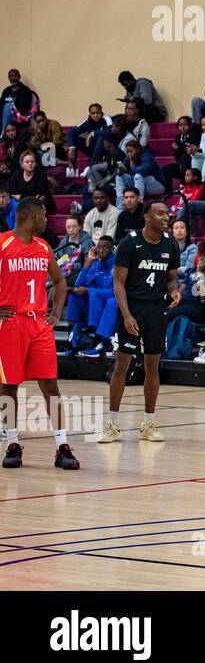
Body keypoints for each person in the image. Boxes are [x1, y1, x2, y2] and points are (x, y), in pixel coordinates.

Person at [0, 198, 77, 470]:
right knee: (9, 386)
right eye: (44, 216)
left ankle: (62, 446)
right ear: (33, 216)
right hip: (10, 323)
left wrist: (56, 313)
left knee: (51, 385)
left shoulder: (44, 247)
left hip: (38, 324)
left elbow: (59, 281)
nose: (47, 221)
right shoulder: (3, 244)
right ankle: (12, 443)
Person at [97, 201, 181, 444]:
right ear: (147, 216)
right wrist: (126, 315)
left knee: (152, 365)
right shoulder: (129, 243)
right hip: (132, 308)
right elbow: (118, 283)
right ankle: (112, 423)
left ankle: (149, 423)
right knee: (122, 364)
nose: (166, 217)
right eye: (160, 213)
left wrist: (174, 292)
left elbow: (171, 280)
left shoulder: (170, 244)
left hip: (157, 311)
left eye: (167, 213)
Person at [0, 69, 37, 135]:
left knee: (8, 106)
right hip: (4, 119)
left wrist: (11, 108)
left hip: (18, 119)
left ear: (19, 76)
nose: (13, 78)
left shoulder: (25, 91)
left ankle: (3, 135)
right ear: (8, 78)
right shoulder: (6, 91)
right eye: (10, 76)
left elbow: (24, 110)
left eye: (15, 76)